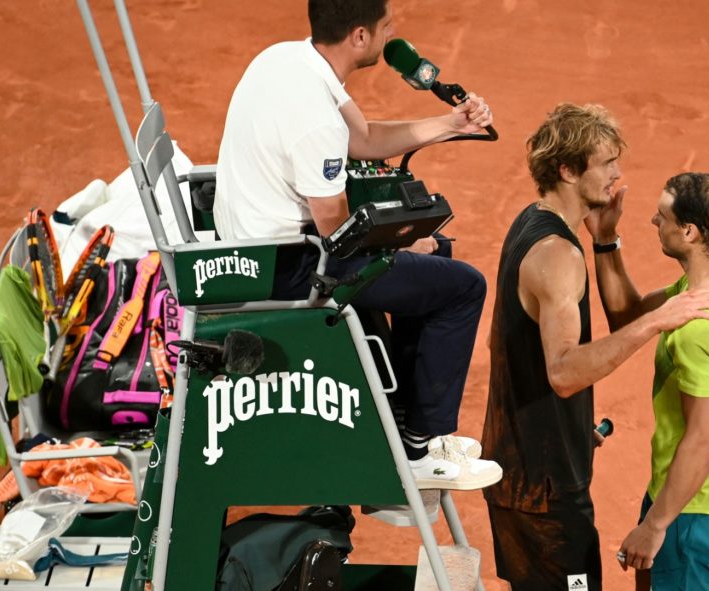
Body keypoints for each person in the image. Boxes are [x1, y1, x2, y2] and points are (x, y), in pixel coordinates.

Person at [212, 0, 500, 490]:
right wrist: (403, 246)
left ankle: (406, 426)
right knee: (464, 287)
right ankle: (416, 452)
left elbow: (362, 138)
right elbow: (337, 237)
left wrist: (451, 125)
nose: (395, 34)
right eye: (388, 27)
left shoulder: (284, 58)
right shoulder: (316, 120)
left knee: (436, 252)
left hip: (254, 242)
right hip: (287, 267)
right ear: (361, 37)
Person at [481, 103, 709, 591]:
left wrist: (605, 240)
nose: (617, 175)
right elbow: (565, 372)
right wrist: (655, 322)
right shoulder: (557, 256)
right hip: (544, 490)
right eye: (607, 163)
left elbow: (519, 350)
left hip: (524, 466)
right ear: (569, 170)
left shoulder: (533, 222)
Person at [616, 172, 709, 590]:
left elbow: (704, 439)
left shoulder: (702, 325)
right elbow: (628, 316)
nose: (652, 222)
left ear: (689, 231)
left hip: (695, 513)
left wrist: (656, 525)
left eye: (661, 216)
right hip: (683, 494)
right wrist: (605, 240)